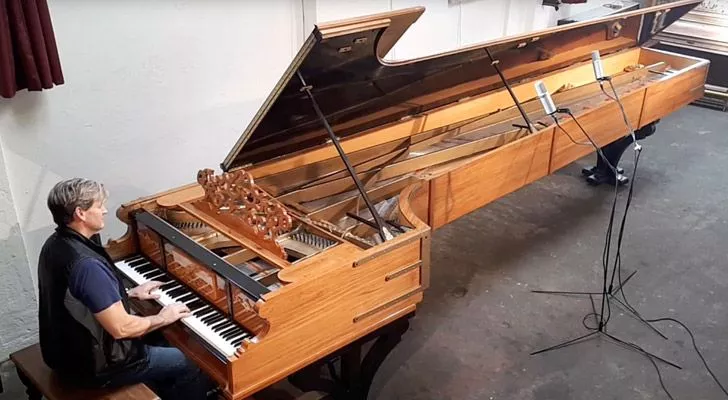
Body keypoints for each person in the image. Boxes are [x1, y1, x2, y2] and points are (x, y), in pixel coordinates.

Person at [37, 178, 215, 399]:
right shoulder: (87, 266)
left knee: (164, 339)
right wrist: (163, 317)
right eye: (98, 205)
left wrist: (128, 294)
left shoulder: (56, 243)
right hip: (96, 366)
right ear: (80, 213)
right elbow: (122, 329)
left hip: (64, 352)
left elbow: (80, 300)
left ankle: (161, 387)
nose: (104, 210)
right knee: (192, 362)